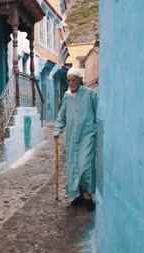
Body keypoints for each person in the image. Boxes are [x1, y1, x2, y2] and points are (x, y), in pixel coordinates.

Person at [54, 67, 98, 211]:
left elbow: (99, 112)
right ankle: (79, 194)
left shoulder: (90, 94)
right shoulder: (67, 97)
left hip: (87, 136)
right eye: (69, 80)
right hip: (72, 138)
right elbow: (62, 116)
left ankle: (88, 196)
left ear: (80, 80)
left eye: (74, 80)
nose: (71, 83)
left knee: (86, 166)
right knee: (74, 166)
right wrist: (57, 130)